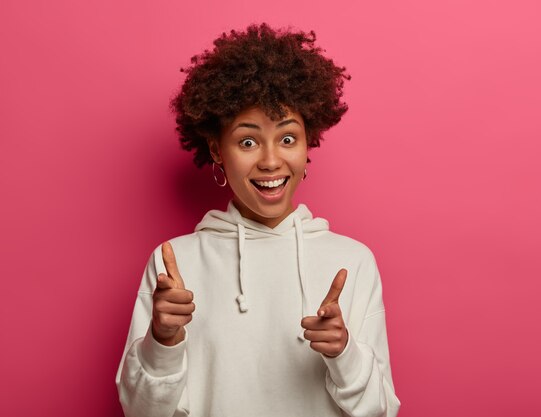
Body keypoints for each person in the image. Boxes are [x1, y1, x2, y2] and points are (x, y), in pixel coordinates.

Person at [116, 23, 401, 417]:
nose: (270, 161)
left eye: (287, 138)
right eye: (247, 141)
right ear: (217, 150)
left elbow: (381, 410)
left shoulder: (352, 262)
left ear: (307, 144)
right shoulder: (174, 265)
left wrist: (344, 352)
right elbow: (140, 413)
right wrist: (162, 341)